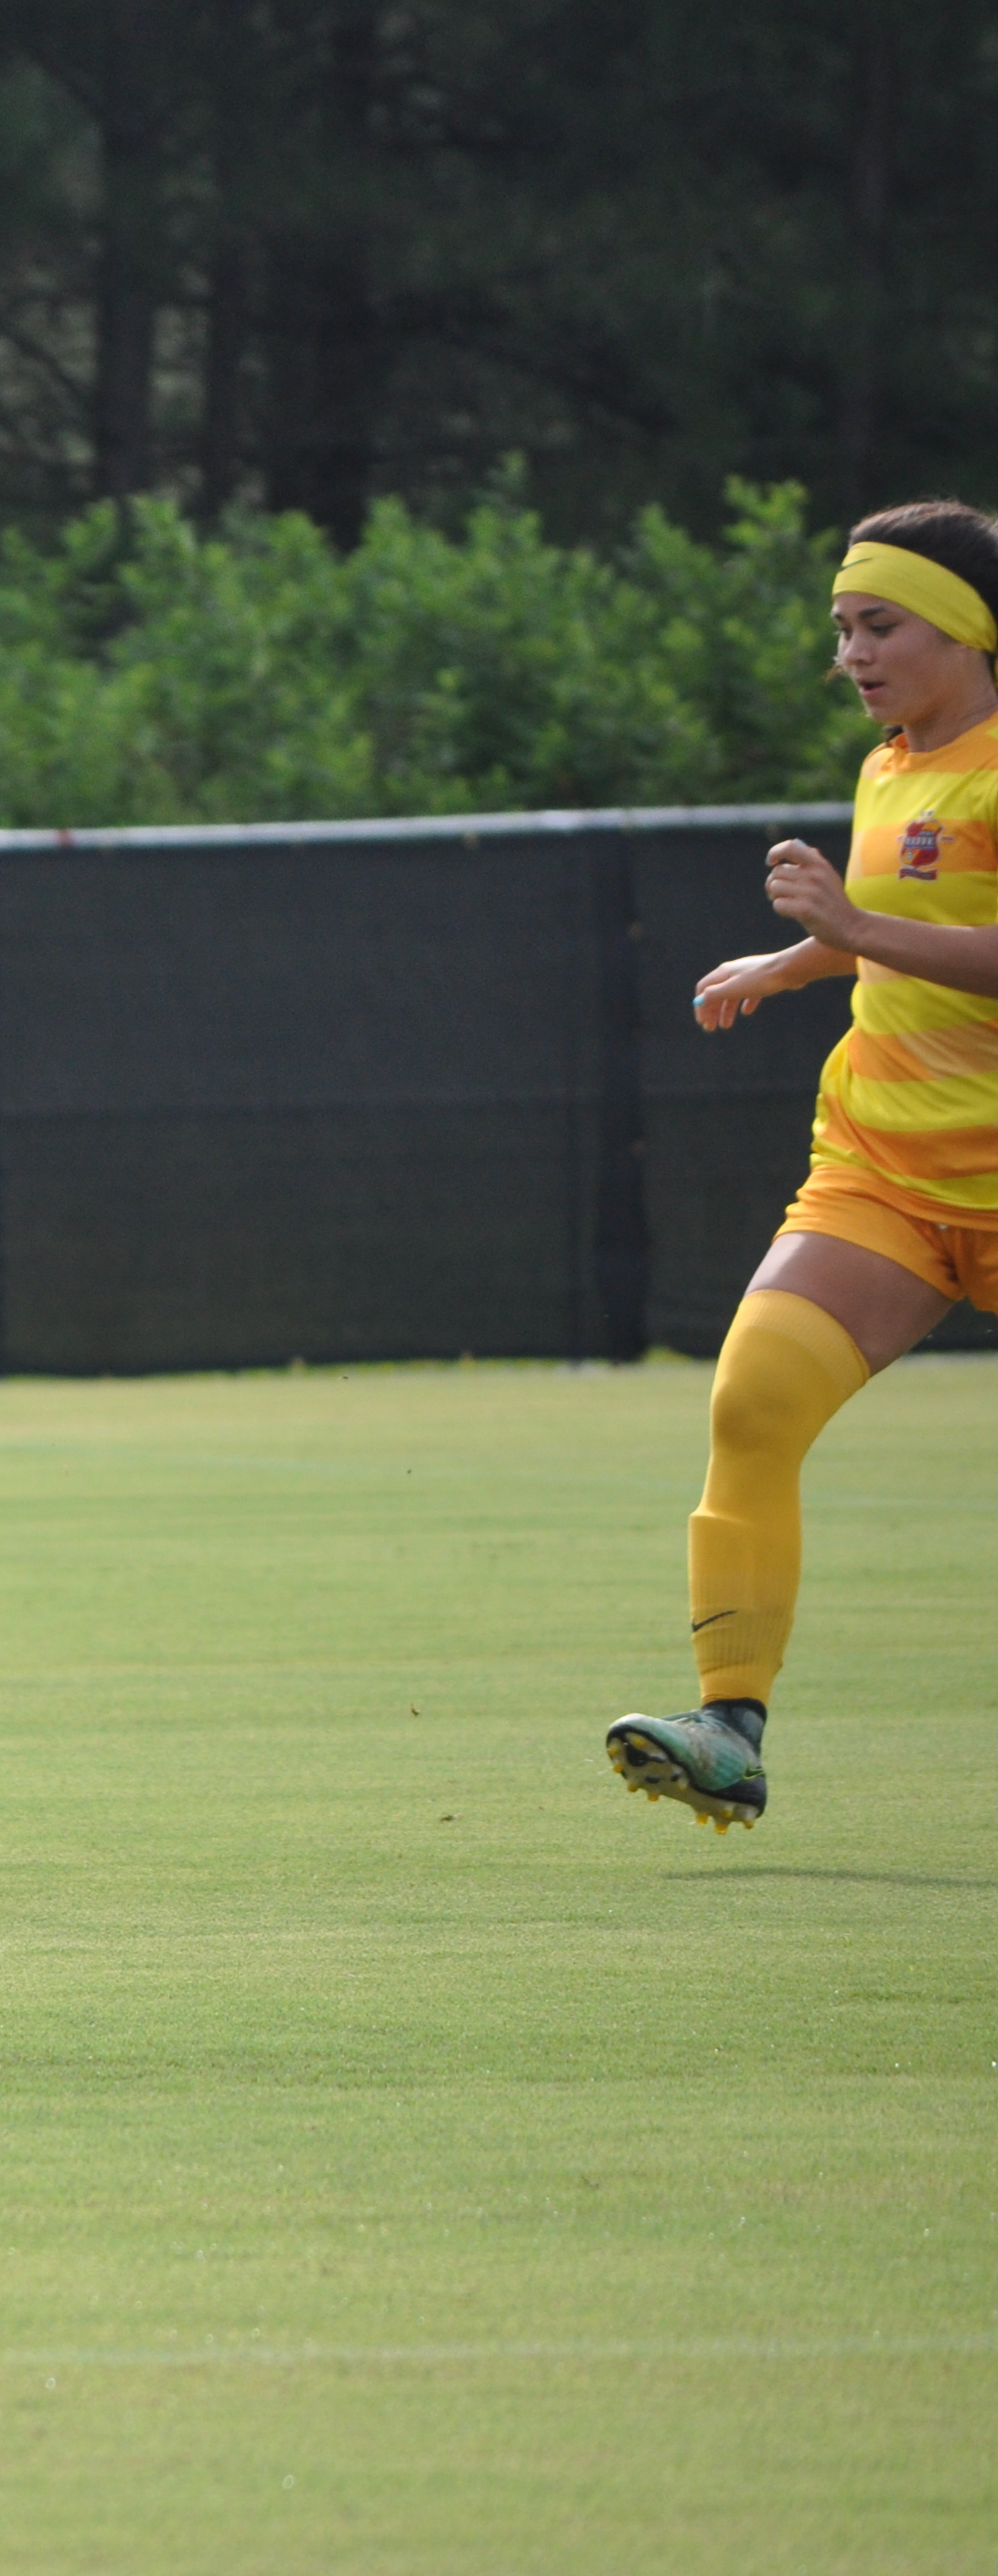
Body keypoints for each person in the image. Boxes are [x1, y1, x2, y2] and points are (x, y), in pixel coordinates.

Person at [610, 501, 998, 1830]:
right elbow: (904, 927)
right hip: (884, 1171)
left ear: (967, 627)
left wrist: (849, 922)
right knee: (754, 1406)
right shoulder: (893, 767)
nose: (853, 655)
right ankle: (729, 1726)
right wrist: (801, 959)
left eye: (879, 625)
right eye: (842, 630)